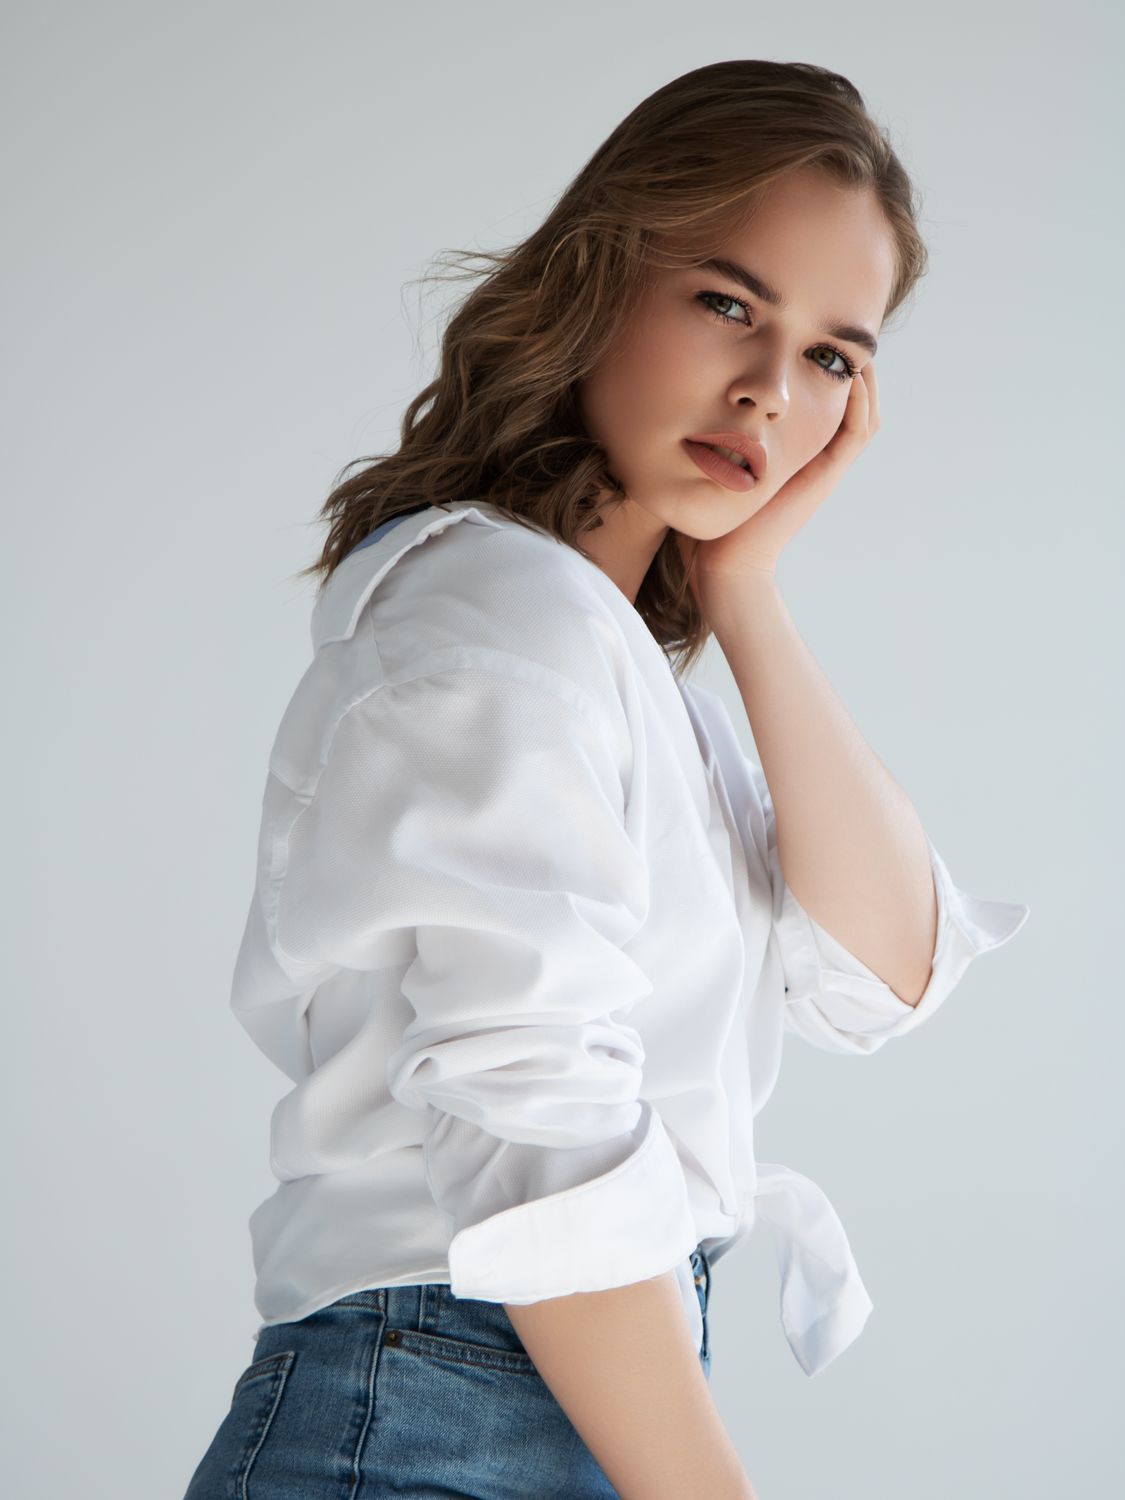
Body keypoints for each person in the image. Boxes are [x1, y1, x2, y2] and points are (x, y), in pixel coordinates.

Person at [182, 58, 1029, 1500]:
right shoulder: (504, 618)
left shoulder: (621, 667)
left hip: (536, 1389)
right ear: (599, 278)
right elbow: (534, 1116)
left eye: (831, 356)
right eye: (727, 303)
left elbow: (882, 971)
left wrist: (746, 589)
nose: (769, 389)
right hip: (445, 1402)